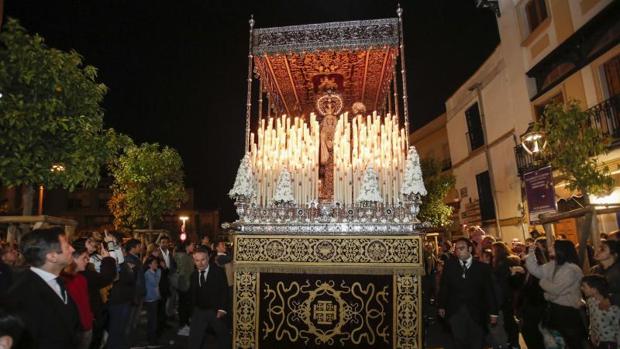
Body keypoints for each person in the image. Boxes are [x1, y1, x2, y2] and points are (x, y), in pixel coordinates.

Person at [5, 227, 80, 349]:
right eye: (67, 247)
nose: (73, 249)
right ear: (52, 257)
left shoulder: (57, 281)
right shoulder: (23, 294)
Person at [438, 237, 498, 349]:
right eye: (456, 249)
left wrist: (493, 312)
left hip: (477, 311)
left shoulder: (482, 268)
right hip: (455, 311)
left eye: (462, 248)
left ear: (470, 249)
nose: (459, 251)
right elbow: (444, 286)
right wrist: (441, 305)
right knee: (459, 341)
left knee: (477, 341)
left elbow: (489, 291)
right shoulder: (450, 266)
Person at [525, 239, 585, 349]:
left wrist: (543, 283)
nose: (549, 248)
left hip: (568, 312)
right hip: (555, 310)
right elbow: (535, 270)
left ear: (562, 250)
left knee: (573, 343)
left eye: (553, 246)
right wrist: (531, 252)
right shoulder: (552, 265)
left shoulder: (571, 269)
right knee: (559, 343)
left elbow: (555, 289)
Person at [188, 246, 230, 349]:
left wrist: (222, 309)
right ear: (194, 261)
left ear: (208, 258)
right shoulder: (193, 275)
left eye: (203, 260)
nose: (200, 263)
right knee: (194, 340)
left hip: (215, 310)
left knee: (223, 338)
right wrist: (192, 312)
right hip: (199, 311)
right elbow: (192, 295)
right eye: (197, 260)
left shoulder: (218, 272)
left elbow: (225, 291)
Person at [62, 239, 95, 349]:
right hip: (74, 330)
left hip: (87, 327)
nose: (88, 260)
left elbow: (85, 302)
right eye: (84, 258)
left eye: (88, 257)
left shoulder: (82, 279)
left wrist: (89, 318)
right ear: (73, 259)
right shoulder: (63, 280)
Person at [581, 275, 620, 349]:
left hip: (611, 342)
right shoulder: (590, 301)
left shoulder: (611, 307)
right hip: (598, 340)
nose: (581, 288)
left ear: (594, 289)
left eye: (584, 286)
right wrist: (592, 333)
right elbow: (592, 319)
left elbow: (617, 327)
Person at [124, 239, 146, 336]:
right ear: (133, 248)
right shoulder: (129, 259)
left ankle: (130, 338)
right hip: (134, 293)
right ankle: (127, 340)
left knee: (134, 318)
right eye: (138, 246)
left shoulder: (135, 258)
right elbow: (132, 279)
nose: (141, 248)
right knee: (130, 318)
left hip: (138, 292)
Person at [174, 241, 195, 336]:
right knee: (183, 305)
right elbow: (182, 272)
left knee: (185, 305)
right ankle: (183, 326)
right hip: (184, 284)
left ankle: (185, 324)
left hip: (186, 284)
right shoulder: (183, 256)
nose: (193, 246)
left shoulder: (187, 256)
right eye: (192, 245)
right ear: (187, 246)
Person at [591, 240, 620, 305]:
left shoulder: (617, 270)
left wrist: (611, 300)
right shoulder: (595, 269)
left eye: (602, 249)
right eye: (598, 248)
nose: (597, 251)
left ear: (615, 254)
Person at [143, 256, 161, 348]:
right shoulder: (148, 273)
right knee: (152, 320)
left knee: (152, 319)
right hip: (151, 299)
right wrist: (158, 271)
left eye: (156, 263)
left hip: (154, 298)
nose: (156, 264)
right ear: (150, 264)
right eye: (154, 263)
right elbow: (155, 283)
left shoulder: (151, 272)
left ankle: (151, 338)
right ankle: (151, 341)